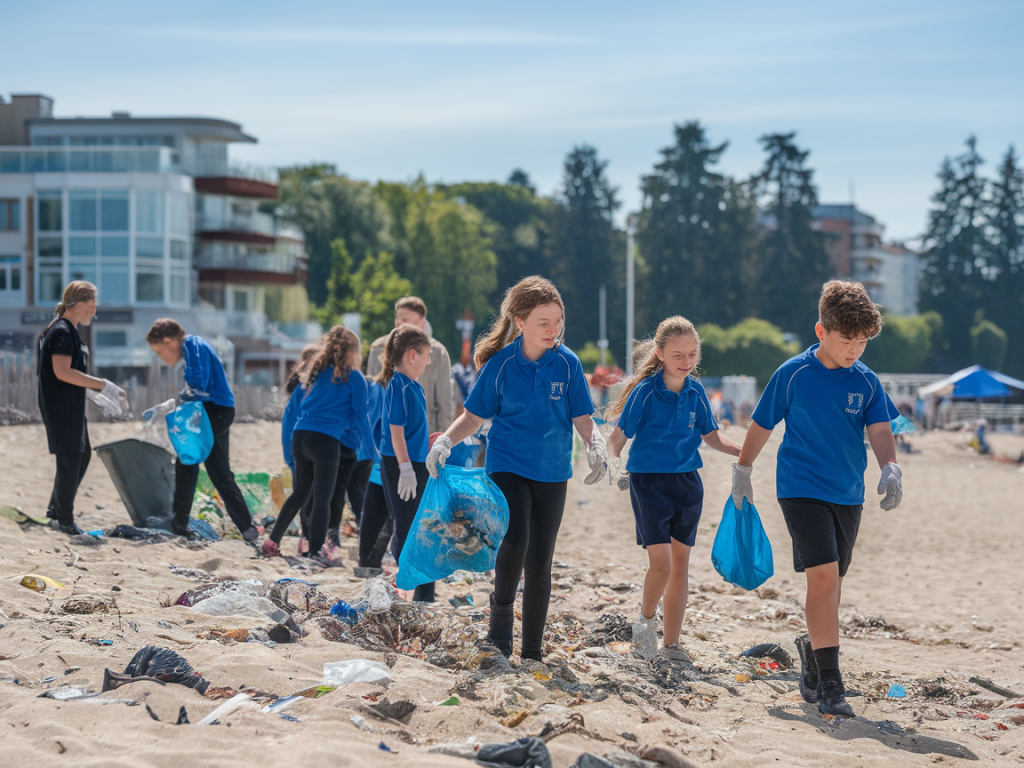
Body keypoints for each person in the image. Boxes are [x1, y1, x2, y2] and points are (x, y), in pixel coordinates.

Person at [732, 280, 903, 718]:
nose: (855, 350)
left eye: (863, 342)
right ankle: (831, 684)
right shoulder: (793, 374)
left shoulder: (866, 381)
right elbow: (762, 424)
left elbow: (881, 430)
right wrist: (743, 469)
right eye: (847, 340)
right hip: (800, 489)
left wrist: (889, 466)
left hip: (848, 493)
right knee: (824, 578)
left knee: (833, 583)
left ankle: (813, 650)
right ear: (821, 331)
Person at [427, 276, 607, 662]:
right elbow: (474, 417)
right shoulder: (501, 363)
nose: (553, 329)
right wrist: (446, 441)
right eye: (544, 322)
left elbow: (583, 418)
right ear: (520, 322)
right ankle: (499, 631)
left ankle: (532, 650)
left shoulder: (569, 363)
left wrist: (596, 446)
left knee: (541, 559)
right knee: (515, 539)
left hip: (553, 469)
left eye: (558, 321)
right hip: (508, 463)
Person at [605, 317, 741, 660]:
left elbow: (711, 435)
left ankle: (672, 644)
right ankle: (644, 624)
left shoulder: (696, 392)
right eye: (678, 354)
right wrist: (613, 465)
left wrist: (742, 450)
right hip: (648, 482)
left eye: (692, 354)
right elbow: (618, 439)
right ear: (661, 353)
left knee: (680, 565)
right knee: (662, 564)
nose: (686, 361)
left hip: (688, 483)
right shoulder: (645, 391)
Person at [262, 325, 377, 560]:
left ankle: (272, 541)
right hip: (325, 441)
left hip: (300, 437)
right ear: (353, 352)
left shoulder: (317, 373)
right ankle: (315, 552)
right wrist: (373, 450)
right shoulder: (353, 377)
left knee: (300, 493)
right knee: (323, 499)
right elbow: (361, 416)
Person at [146, 319, 257, 541]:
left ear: (170, 341)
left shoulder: (192, 345)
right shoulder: (192, 348)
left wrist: (181, 398)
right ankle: (248, 529)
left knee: (187, 460)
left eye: (159, 351)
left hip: (213, 411)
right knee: (219, 472)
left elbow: (199, 381)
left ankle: (179, 523)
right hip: (220, 410)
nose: (160, 357)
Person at [37, 281, 126, 535]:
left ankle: (56, 511)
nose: (94, 310)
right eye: (91, 304)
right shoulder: (62, 331)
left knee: (81, 454)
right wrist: (102, 385)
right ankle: (64, 521)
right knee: (71, 459)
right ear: (78, 304)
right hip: (60, 407)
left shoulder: (66, 329)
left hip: (69, 405)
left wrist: (96, 395)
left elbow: (68, 375)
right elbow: (62, 372)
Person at [378, 324, 436, 601]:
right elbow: (396, 431)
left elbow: (415, 430)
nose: (429, 360)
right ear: (413, 355)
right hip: (399, 464)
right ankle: (415, 585)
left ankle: (424, 589)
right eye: (427, 355)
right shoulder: (397, 386)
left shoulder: (416, 388)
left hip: (417, 464)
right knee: (406, 526)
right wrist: (404, 468)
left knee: (421, 524)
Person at [367, 296, 454, 434]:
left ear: (422, 323)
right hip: (386, 435)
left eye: (405, 320)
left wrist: (441, 441)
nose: (399, 323)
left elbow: (445, 404)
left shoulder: (438, 353)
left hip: (423, 435)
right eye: (397, 318)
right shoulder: (378, 348)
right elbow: (372, 397)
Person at [280, 343, 319, 554]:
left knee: (305, 496)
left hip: (296, 449)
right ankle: (307, 540)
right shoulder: (304, 389)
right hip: (301, 449)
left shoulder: (301, 387)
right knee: (308, 497)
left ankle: (307, 539)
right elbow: (291, 423)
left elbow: (287, 425)